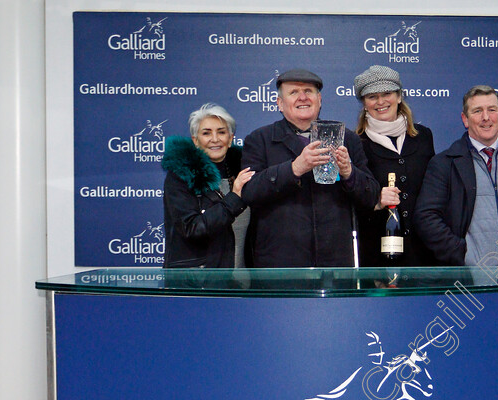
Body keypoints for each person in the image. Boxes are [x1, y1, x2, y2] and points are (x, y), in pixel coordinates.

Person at [241, 69, 379, 267]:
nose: (303, 97)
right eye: (294, 92)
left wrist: (349, 172)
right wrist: (295, 168)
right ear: (280, 103)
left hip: (336, 264)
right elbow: (249, 193)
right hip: (279, 264)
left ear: (319, 99)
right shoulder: (259, 140)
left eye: (308, 91)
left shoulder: (347, 139)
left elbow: (371, 196)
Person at [414, 85, 498, 268]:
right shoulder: (445, 164)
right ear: (465, 119)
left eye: (492, 110)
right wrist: (463, 255)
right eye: (477, 111)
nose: (486, 117)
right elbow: (425, 217)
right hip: (471, 281)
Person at [352, 65, 437, 267]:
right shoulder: (355, 143)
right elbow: (349, 200)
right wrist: (375, 200)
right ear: (364, 103)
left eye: (387, 93)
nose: (380, 102)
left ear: (399, 97)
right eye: (372, 96)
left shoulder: (423, 137)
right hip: (376, 255)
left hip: (424, 253)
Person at [162, 103, 254, 268]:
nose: (215, 139)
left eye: (221, 132)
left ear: (231, 138)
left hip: (243, 282)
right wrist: (233, 198)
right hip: (202, 283)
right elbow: (192, 228)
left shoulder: (244, 172)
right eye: (206, 133)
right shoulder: (182, 176)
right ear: (195, 140)